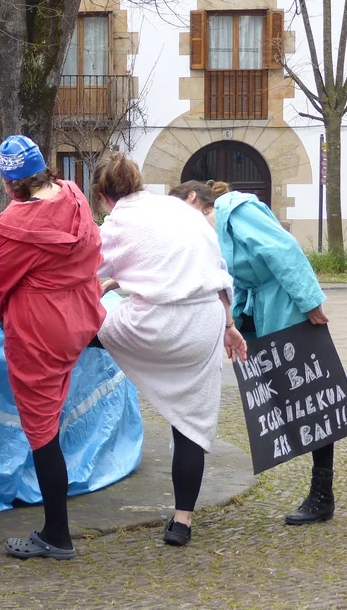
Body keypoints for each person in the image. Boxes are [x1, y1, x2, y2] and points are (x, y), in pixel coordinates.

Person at [92, 152, 246, 546]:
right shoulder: (181, 210)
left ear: (103, 196)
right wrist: (229, 326)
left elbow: (86, 273)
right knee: (189, 423)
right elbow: (215, 271)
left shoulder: (115, 224)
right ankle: (182, 521)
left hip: (158, 324)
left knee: (85, 330)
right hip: (205, 321)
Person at [0, 136, 104, 561]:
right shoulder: (73, 195)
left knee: (42, 431)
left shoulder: (15, 224)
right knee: (52, 418)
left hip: (40, 332)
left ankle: (57, 535)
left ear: (10, 183)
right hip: (79, 318)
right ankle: (56, 529)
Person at [169, 180, 334, 525]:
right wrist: (234, 323)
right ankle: (322, 494)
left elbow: (283, 249)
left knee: (311, 397)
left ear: (193, 198)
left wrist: (309, 300)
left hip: (288, 306)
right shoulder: (210, 233)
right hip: (260, 309)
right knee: (294, 399)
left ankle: (323, 494)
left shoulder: (237, 211)